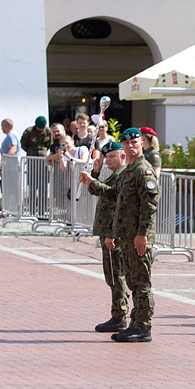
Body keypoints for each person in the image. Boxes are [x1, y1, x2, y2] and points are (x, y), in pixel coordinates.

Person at [81, 128, 159, 342]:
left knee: (141, 283)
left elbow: (149, 206)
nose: (130, 146)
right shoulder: (128, 171)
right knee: (133, 282)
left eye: (134, 142)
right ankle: (134, 323)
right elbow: (114, 196)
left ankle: (143, 327)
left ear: (141, 143)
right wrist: (92, 182)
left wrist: (142, 234)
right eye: (126, 144)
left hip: (137, 236)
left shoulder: (143, 170)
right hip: (125, 236)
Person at [83, 141, 130, 332]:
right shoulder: (114, 176)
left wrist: (111, 234)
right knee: (112, 273)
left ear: (122, 157)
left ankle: (119, 315)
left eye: (112, 156)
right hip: (107, 232)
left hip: (113, 233)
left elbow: (116, 205)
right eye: (106, 156)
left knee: (116, 274)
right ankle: (118, 312)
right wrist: (94, 174)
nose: (108, 160)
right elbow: (97, 190)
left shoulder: (122, 176)